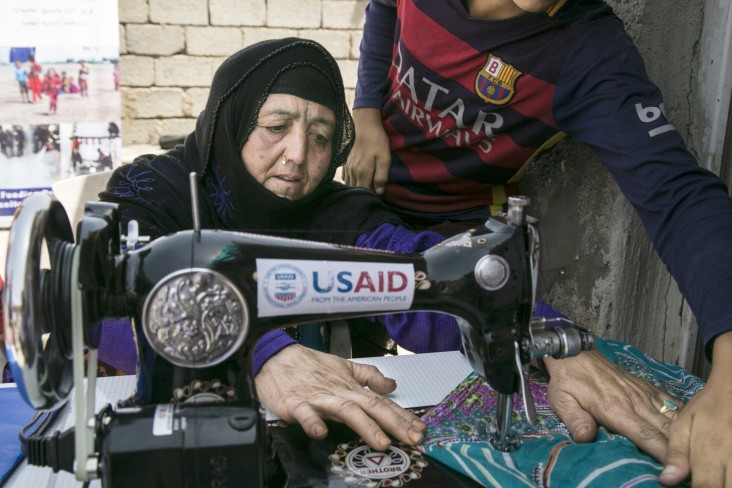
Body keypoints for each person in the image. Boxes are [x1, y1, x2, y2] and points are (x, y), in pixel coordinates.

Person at [343, 1, 732, 486]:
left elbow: (679, 194)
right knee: (355, 353)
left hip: (458, 228)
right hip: (359, 199)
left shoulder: (587, 53)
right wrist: (365, 113)